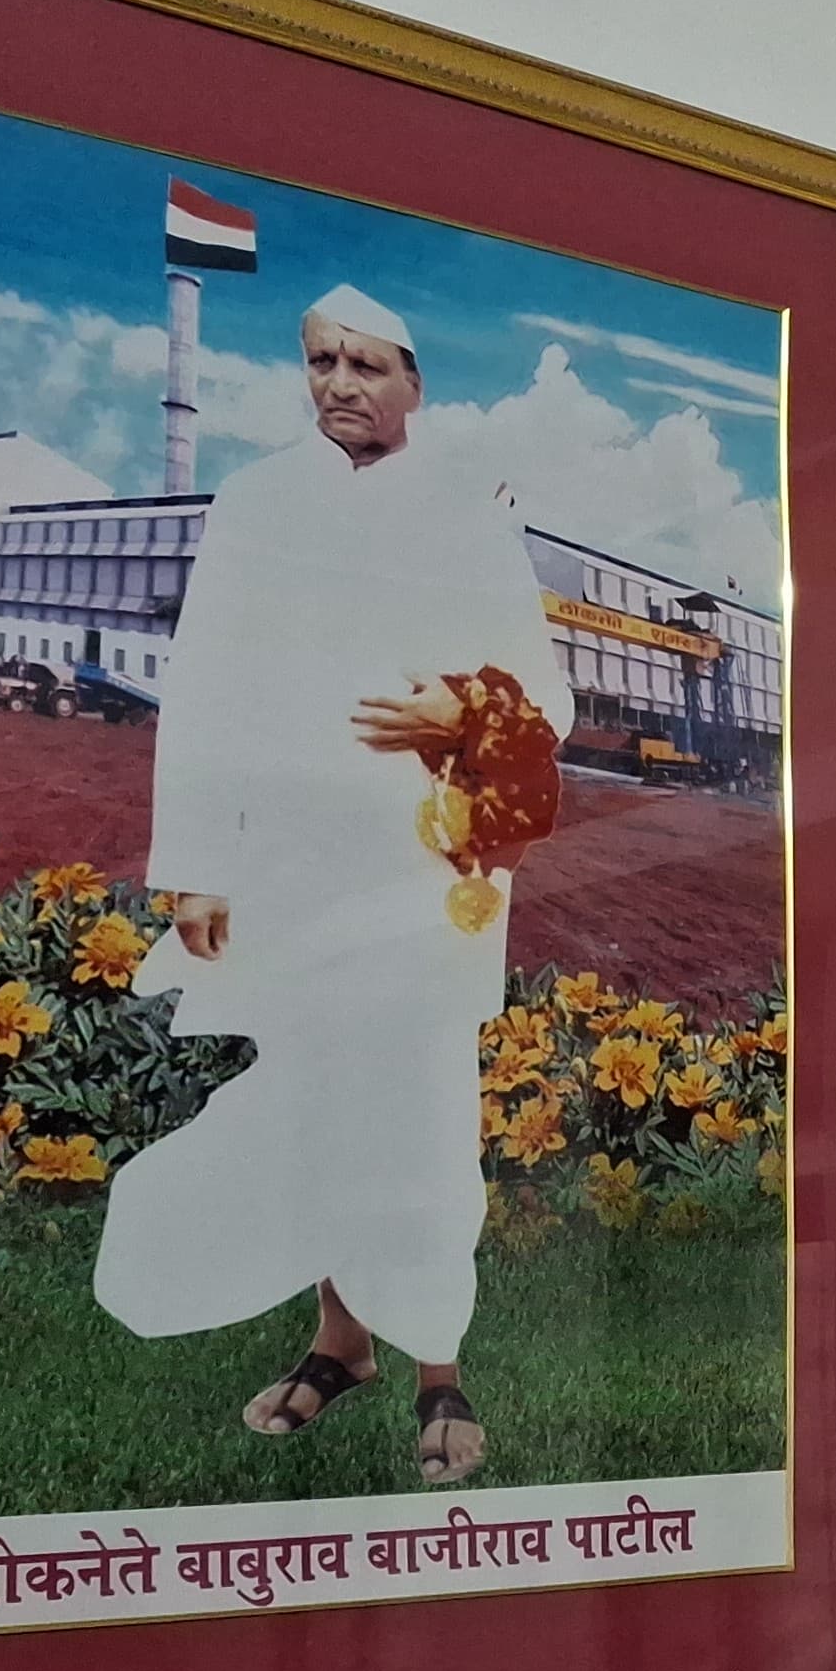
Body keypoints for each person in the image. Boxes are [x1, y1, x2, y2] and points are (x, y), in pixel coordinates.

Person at [94, 285, 568, 1486]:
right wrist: (198, 862)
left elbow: (545, 691)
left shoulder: (468, 504)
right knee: (316, 1090)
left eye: (366, 364)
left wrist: (462, 710)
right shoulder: (256, 502)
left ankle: (440, 1368)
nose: (340, 384)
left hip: (427, 857)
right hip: (292, 859)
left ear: (414, 382)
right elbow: (208, 683)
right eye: (321, 362)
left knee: (419, 1100)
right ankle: (340, 1344)